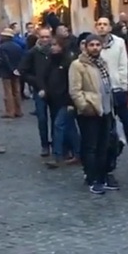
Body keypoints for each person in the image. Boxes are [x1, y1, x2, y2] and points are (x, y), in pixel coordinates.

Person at [95, 17, 128, 172]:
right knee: (107, 129)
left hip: (118, 90)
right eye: (99, 24)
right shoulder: (93, 44)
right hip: (101, 92)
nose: (102, 27)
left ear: (110, 27)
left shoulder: (119, 43)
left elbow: (123, 65)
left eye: (105, 24)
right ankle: (110, 160)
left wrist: (123, 85)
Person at [69, 34, 117, 194]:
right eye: (92, 45)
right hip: (90, 111)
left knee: (104, 146)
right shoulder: (78, 65)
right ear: (86, 47)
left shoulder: (102, 63)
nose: (95, 47)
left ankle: (102, 176)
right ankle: (92, 178)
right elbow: (75, 90)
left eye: (97, 44)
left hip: (106, 110)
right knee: (90, 146)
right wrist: (84, 106)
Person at [42, 36, 80, 168]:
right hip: (55, 99)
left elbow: (72, 83)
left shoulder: (68, 62)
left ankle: (57, 156)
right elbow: (46, 77)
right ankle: (78, 153)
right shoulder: (51, 60)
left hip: (66, 100)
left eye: (55, 45)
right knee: (70, 128)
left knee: (58, 125)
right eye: (52, 45)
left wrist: (71, 102)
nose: (53, 47)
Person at [18, 26, 54, 156]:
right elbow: (23, 71)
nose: (45, 40)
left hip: (55, 91)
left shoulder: (55, 52)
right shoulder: (32, 52)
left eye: (47, 37)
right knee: (42, 119)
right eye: (42, 37)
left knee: (56, 119)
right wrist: (36, 83)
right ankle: (45, 144)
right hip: (39, 91)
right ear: (38, 38)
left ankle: (57, 143)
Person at [0, 28, 24, 117]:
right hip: (17, 71)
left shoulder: (2, 47)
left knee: (8, 92)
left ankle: (10, 111)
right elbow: (21, 59)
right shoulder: (18, 46)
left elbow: (5, 59)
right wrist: (17, 69)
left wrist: (11, 69)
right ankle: (18, 110)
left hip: (6, 72)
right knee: (17, 91)